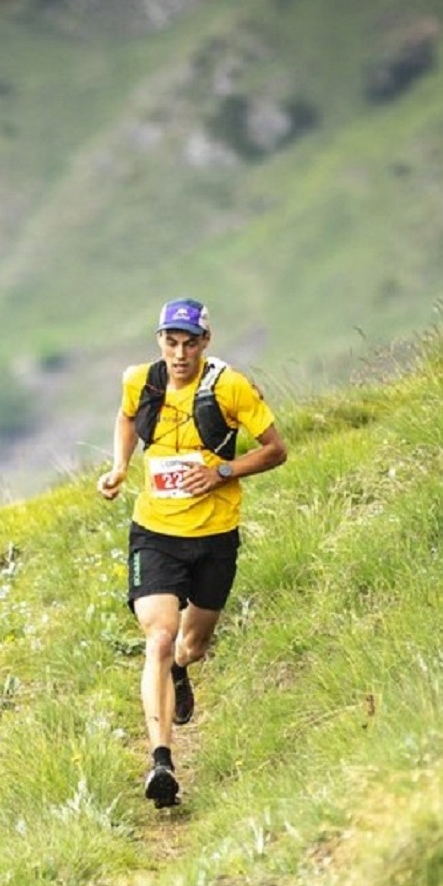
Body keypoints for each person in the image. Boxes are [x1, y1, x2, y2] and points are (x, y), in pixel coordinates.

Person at [96, 297, 288, 807]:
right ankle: (161, 761)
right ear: (160, 340)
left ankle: (181, 667)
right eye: (170, 341)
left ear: (206, 342)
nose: (179, 353)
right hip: (155, 533)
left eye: (190, 343)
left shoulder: (230, 387)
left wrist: (221, 471)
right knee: (158, 636)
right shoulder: (141, 380)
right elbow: (126, 416)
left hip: (215, 536)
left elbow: (276, 449)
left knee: (190, 646)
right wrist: (119, 467)